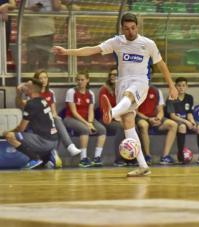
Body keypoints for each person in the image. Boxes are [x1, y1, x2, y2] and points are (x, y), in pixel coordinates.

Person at [52, 12, 178, 177]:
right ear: (122, 28)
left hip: (140, 82)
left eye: (133, 28)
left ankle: (112, 112)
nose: (130, 31)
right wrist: (67, 52)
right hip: (122, 81)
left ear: (137, 27)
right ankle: (143, 165)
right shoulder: (116, 42)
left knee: (129, 94)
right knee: (128, 122)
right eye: (126, 28)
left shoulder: (148, 44)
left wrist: (172, 86)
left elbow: (161, 65)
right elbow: (92, 50)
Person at [16, 69, 81, 158]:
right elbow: (22, 105)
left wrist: (52, 121)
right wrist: (19, 93)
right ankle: (67, 147)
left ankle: (59, 152)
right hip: (34, 121)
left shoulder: (51, 93)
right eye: (40, 78)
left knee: (56, 120)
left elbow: (53, 112)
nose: (43, 80)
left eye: (45, 77)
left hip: (48, 121)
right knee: (55, 123)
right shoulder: (31, 93)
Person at [3, 78, 60, 169]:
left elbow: (21, 129)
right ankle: (48, 157)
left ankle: (35, 159)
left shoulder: (32, 104)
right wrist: (18, 94)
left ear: (31, 89)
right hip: (53, 140)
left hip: (44, 141)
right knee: (29, 135)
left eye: (26, 85)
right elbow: (20, 104)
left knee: (10, 136)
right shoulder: (42, 100)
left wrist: (5, 133)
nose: (23, 87)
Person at [166, 77, 199, 164]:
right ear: (175, 87)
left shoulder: (189, 98)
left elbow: (189, 113)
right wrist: (186, 122)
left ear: (187, 87)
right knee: (183, 127)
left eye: (183, 85)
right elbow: (172, 116)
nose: (181, 88)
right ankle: (180, 155)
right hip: (178, 122)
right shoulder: (171, 98)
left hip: (187, 121)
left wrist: (192, 122)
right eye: (179, 86)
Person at [64, 71, 106, 168]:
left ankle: (97, 158)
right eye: (78, 80)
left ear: (87, 80)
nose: (80, 82)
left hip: (87, 119)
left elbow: (91, 110)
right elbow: (74, 112)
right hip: (71, 118)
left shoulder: (90, 93)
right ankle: (83, 159)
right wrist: (87, 124)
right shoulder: (71, 92)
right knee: (84, 129)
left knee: (102, 129)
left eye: (82, 80)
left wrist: (91, 122)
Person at [136, 85, 177, 165]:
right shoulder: (136, 91)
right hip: (142, 118)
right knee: (144, 125)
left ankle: (165, 156)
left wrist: (158, 118)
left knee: (173, 125)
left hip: (154, 118)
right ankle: (147, 156)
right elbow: (136, 111)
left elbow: (160, 110)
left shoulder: (156, 91)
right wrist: (148, 119)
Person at [23, 0, 63, 71]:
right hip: (31, 31)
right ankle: (30, 79)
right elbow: (24, 10)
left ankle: (42, 81)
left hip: (46, 32)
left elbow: (57, 7)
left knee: (43, 61)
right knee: (31, 61)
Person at [98, 68, 126, 167]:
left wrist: (122, 119)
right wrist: (118, 119)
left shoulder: (123, 89)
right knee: (120, 128)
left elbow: (125, 106)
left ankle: (132, 157)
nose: (112, 76)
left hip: (120, 118)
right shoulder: (104, 89)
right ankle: (118, 159)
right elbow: (103, 109)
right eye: (111, 74)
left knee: (134, 127)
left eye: (115, 74)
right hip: (107, 119)